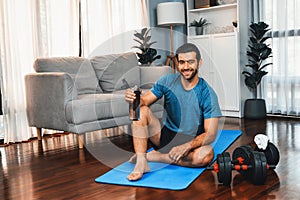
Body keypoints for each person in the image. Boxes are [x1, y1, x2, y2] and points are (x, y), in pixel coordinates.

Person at [125, 43, 222, 181]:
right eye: (182, 62)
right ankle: (142, 162)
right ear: (177, 63)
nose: (186, 67)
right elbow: (143, 102)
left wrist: (187, 146)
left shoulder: (208, 94)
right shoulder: (167, 81)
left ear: (199, 63)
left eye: (190, 62)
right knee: (141, 110)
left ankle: (156, 157)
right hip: (165, 135)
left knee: (206, 155)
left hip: (191, 139)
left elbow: (211, 134)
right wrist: (134, 98)